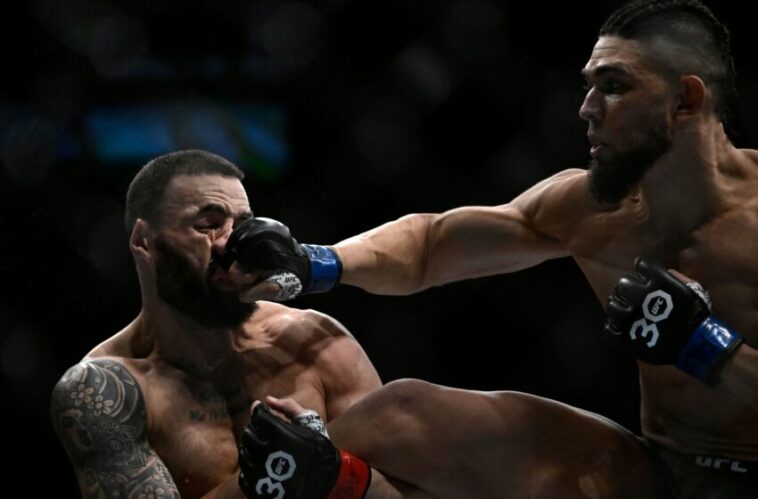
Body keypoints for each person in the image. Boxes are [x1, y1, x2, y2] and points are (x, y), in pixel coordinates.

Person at [224, 1, 758, 497]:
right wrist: (317, 261)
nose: (587, 109)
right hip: (659, 470)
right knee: (399, 412)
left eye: (614, 86)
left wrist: (704, 347)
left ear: (686, 100)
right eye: (589, 85)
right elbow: (434, 245)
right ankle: (337, 480)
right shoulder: (592, 207)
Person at [49, 149, 383, 499]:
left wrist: (335, 472)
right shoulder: (106, 391)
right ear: (144, 241)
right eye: (208, 225)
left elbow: (408, 486)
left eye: (243, 226)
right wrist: (274, 484)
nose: (232, 244)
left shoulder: (316, 342)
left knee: (407, 403)